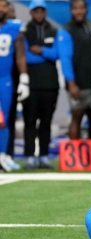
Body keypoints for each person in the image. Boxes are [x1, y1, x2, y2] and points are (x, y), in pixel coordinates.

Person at [22, 0, 61, 170]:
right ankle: (30, 156)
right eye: (35, 11)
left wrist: (42, 51)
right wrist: (48, 54)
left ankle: (43, 156)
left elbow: (57, 54)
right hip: (30, 84)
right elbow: (25, 57)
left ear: (45, 12)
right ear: (31, 13)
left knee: (46, 122)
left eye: (41, 11)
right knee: (30, 121)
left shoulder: (53, 30)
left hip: (50, 84)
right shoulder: (24, 32)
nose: (39, 14)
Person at [60, 0, 91, 157]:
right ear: (71, 10)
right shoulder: (66, 30)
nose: (78, 11)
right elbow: (65, 59)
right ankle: (74, 156)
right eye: (75, 8)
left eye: (81, 8)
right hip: (77, 83)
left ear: (86, 9)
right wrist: (71, 83)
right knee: (76, 118)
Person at [0, 0, 29, 172]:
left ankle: (3, 155)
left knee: (4, 121)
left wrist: (24, 79)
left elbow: (20, 55)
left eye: (4, 6)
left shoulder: (14, 28)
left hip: (4, 79)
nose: (2, 9)